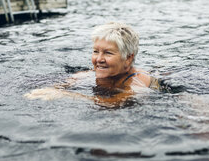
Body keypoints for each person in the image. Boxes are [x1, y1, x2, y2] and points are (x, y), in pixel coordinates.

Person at [25, 22, 159, 108]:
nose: (99, 59)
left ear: (128, 59)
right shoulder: (88, 75)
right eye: (95, 51)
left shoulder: (139, 79)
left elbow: (116, 103)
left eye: (108, 53)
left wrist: (64, 95)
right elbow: (60, 84)